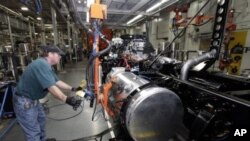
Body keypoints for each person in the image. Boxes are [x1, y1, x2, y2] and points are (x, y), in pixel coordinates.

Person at [12, 45, 83, 141]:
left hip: (33, 99)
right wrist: (67, 100)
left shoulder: (47, 65)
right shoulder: (42, 65)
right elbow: (52, 88)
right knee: (33, 131)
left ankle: (43, 139)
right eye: (58, 55)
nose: (60, 57)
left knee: (41, 120)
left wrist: (73, 89)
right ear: (50, 54)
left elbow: (57, 82)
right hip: (24, 101)